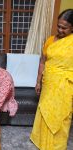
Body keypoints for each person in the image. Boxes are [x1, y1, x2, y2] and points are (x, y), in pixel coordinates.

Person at [30, 9, 73, 150]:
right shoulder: (50, 40)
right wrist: (38, 81)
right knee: (44, 110)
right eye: (58, 26)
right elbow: (43, 61)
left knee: (62, 115)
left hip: (65, 85)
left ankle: (56, 146)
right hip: (48, 83)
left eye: (64, 28)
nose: (60, 30)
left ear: (72, 27)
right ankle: (41, 140)